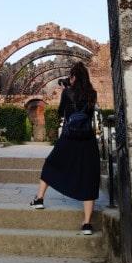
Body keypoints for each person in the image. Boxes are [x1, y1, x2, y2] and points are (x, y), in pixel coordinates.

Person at [30, 62, 100, 235]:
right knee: (88, 175)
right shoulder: (93, 94)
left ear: (73, 77)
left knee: (52, 163)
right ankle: (86, 224)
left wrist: (66, 91)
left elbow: (61, 113)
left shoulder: (67, 92)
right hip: (87, 139)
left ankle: (39, 199)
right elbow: (89, 114)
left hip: (69, 137)